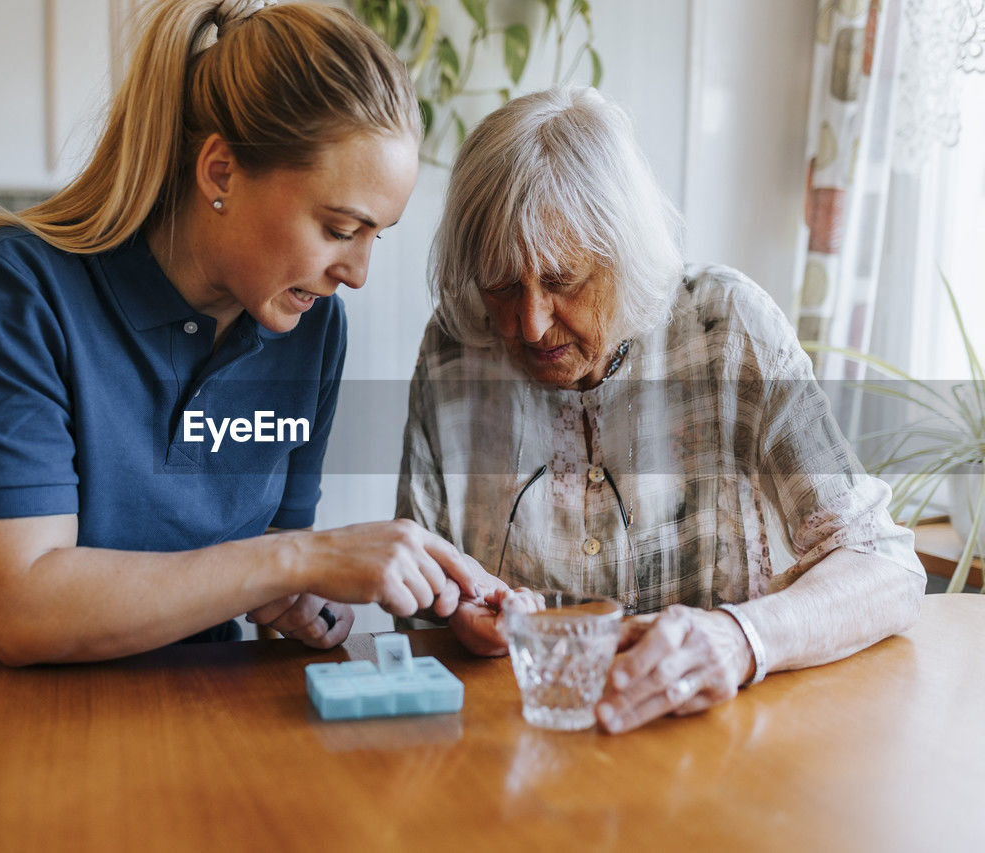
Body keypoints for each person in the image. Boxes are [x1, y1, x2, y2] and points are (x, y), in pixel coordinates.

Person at [0, 0, 496, 665]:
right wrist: (297, 558)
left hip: (193, 700)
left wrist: (302, 595)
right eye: (340, 229)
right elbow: (24, 610)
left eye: (376, 236)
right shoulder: (16, 291)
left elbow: (266, 555)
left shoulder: (310, 329)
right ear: (221, 172)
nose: (355, 272)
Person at [397, 86, 926, 732]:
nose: (530, 324)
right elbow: (417, 596)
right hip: (513, 751)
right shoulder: (456, 346)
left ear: (622, 253)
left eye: (562, 280)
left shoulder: (726, 327)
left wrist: (738, 638)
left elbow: (887, 568)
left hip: (710, 748)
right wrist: (458, 612)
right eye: (503, 285)